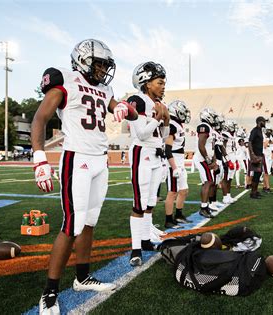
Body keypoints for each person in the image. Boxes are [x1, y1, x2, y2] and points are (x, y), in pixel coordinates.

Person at [31, 39, 137, 314]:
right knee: (71, 225)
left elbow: (131, 114)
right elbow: (40, 118)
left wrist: (125, 107)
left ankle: (81, 278)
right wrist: (39, 157)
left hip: (100, 160)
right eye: (99, 63)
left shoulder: (105, 89)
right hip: (76, 159)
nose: (103, 70)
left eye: (106, 65)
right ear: (82, 60)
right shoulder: (65, 80)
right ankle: (50, 290)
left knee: (89, 222)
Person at [126, 61, 170, 266]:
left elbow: (163, 135)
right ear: (146, 82)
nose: (163, 86)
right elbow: (141, 133)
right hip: (141, 152)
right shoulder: (137, 100)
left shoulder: (159, 104)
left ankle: (144, 241)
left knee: (151, 200)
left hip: (155, 153)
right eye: (159, 82)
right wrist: (159, 118)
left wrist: (166, 121)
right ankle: (135, 249)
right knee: (139, 203)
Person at [164, 100, 192, 229]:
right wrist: (174, 167)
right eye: (183, 112)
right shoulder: (172, 126)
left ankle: (179, 215)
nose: (185, 114)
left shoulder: (178, 125)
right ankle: (168, 219)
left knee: (184, 190)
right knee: (172, 192)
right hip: (173, 162)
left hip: (180, 161)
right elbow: (167, 149)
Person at [193, 108, 219, 218]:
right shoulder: (204, 126)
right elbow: (201, 145)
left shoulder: (210, 129)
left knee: (208, 182)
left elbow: (211, 147)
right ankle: (203, 208)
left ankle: (205, 205)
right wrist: (208, 160)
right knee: (208, 182)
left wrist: (214, 160)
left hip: (206, 158)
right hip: (201, 159)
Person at [248, 116, 266, 199]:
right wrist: (252, 155)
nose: (265, 123)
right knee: (256, 174)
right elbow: (250, 142)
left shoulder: (259, 130)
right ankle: (253, 192)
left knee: (258, 174)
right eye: (263, 121)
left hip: (259, 155)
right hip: (255, 155)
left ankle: (255, 190)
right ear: (260, 122)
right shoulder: (254, 130)